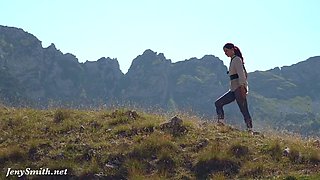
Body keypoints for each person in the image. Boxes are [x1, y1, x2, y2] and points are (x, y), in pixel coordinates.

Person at [215, 43, 253, 132]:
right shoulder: (233, 60)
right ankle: (220, 122)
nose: (225, 53)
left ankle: (249, 129)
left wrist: (243, 87)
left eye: (226, 51)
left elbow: (242, 74)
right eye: (224, 52)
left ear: (232, 49)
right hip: (233, 89)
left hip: (238, 88)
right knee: (218, 103)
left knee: (244, 109)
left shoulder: (237, 60)